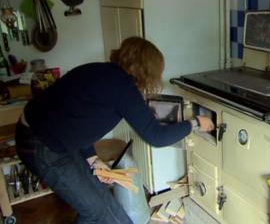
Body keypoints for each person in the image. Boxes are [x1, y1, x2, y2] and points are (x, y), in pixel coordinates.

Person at [15, 37, 214, 224]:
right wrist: (195, 123)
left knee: (106, 209)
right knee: (101, 214)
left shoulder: (100, 72)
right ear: (147, 72)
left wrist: (94, 160)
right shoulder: (122, 87)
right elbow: (157, 137)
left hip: (44, 136)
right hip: (42, 145)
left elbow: (78, 121)